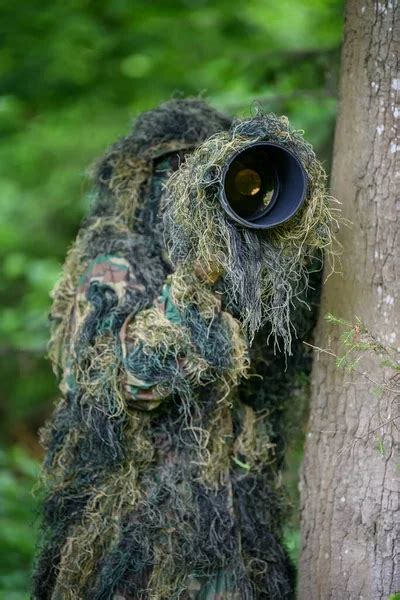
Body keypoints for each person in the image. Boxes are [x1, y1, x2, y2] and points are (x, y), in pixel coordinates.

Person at [33, 98, 333, 599]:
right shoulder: (115, 266)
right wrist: (197, 281)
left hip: (237, 535)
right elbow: (131, 383)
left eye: (199, 167)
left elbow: (289, 356)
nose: (186, 186)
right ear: (137, 182)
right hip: (141, 541)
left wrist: (277, 253)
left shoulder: (243, 275)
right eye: (169, 170)